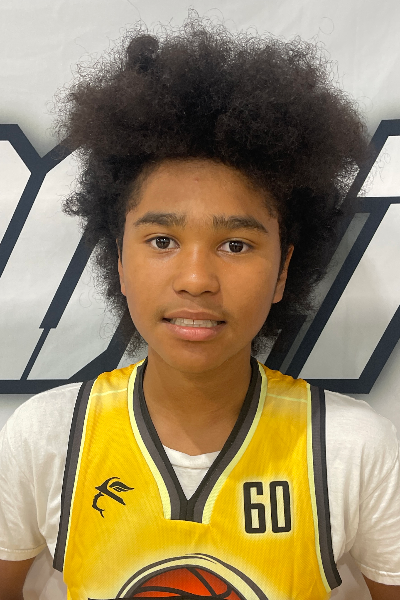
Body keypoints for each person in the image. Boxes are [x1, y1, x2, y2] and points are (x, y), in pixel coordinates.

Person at [0, 15, 399, 600]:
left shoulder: (353, 448)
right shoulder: (47, 437)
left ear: (283, 270)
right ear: (119, 261)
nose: (195, 280)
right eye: (162, 240)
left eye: (235, 245)